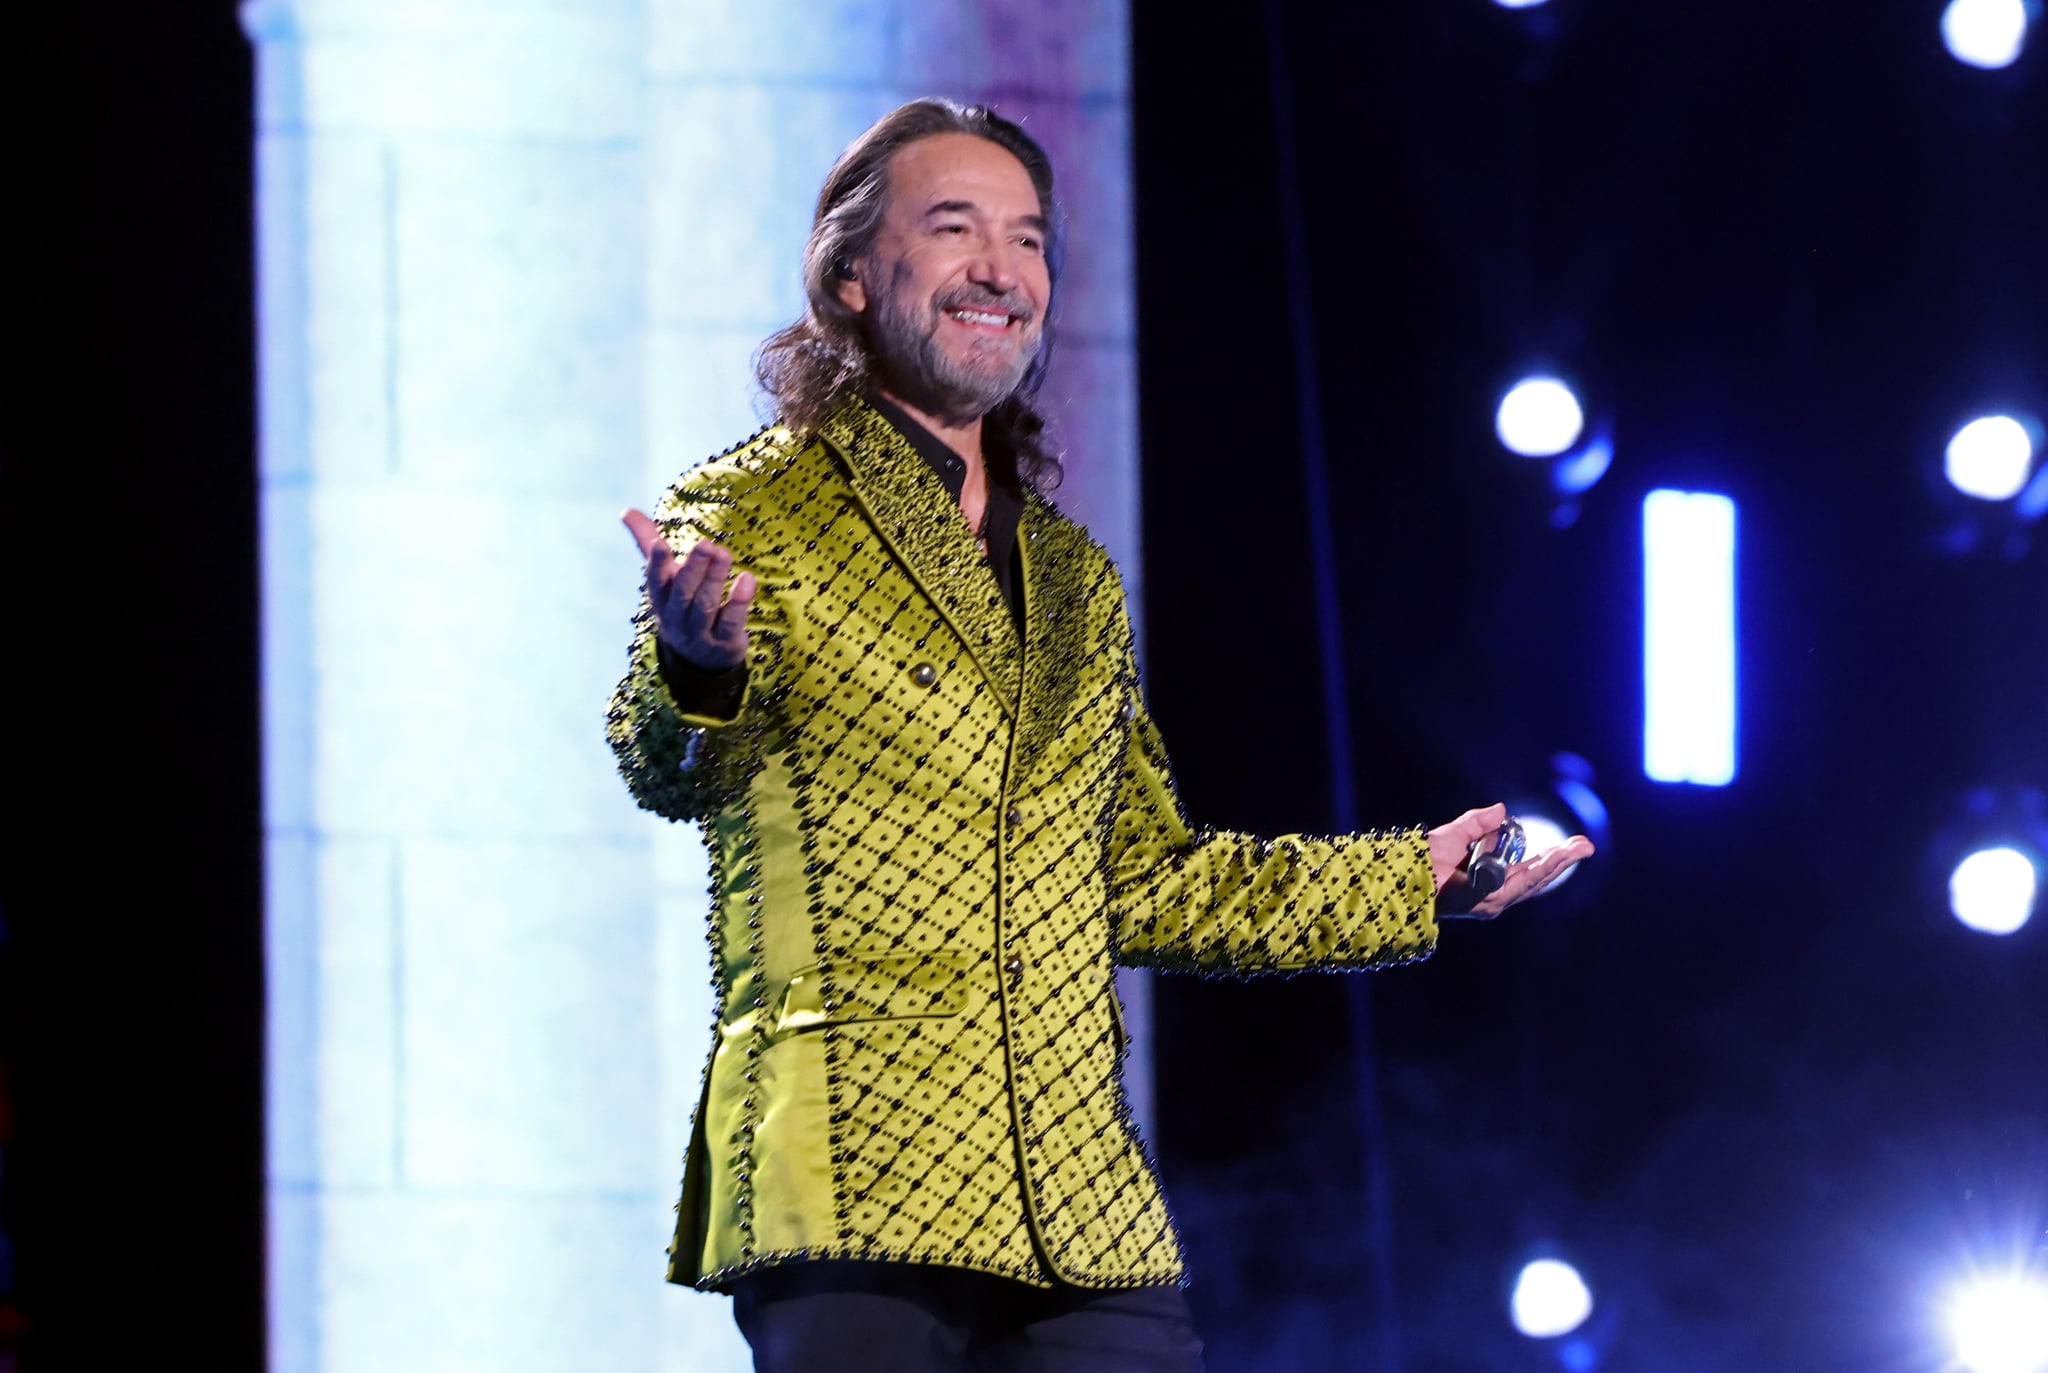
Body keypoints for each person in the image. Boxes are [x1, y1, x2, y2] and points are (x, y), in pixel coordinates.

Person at [608, 98, 1593, 1373]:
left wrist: (1408, 879)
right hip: (853, 1174)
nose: (998, 269)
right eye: (951, 227)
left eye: (1026, 240)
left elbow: (1140, 878)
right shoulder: (754, 509)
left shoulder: (1070, 574)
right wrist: (697, 668)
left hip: (1077, 1204)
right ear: (848, 277)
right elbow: (665, 766)